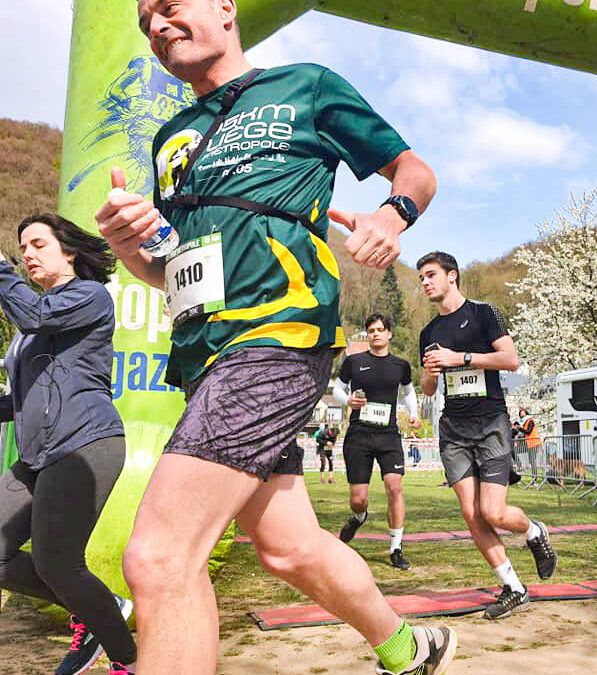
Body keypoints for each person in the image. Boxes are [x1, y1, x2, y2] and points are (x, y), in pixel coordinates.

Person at [94, 1, 455, 674]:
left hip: (279, 338)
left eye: (168, 6)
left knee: (160, 557)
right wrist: (131, 249)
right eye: (146, 20)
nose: (156, 25)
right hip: (207, 356)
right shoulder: (172, 135)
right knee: (287, 546)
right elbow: (170, 268)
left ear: (224, 8)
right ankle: (411, 649)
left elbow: (415, 171)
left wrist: (392, 212)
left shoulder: (305, 87)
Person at [0, 214, 137, 675]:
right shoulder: (36, 322)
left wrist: (1, 271)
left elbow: (33, 312)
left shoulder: (88, 296)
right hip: (38, 455)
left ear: (70, 252)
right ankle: (97, 605)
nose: (28, 255)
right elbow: (22, 397)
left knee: (57, 562)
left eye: (39, 244)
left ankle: (126, 661)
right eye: (23, 249)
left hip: (84, 443)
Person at [417, 251, 558, 620]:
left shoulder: (483, 314)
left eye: (431, 275)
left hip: (491, 422)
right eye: (421, 278)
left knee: (492, 511)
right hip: (454, 429)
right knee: (470, 513)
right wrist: (432, 371)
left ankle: (533, 531)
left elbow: (510, 360)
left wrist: (460, 358)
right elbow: (429, 388)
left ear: (453, 276)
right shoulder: (428, 334)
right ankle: (513, 586)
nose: (426, 282)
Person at [333, 313, 419, 570]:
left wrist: (414, 414)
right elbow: (338, 388)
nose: (376, 334)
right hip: (359, 435)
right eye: (371, 330)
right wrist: (347, 400)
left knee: (395, 488)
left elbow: (408, 392)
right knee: (358, 499)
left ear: (389, 333)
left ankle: (396, 547)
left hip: (388, 435)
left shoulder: (401, 365)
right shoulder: (354, 361)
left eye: (380, 329)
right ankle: (359, 517)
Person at [518, 409, 543, 483]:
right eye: (521, 414)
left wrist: (519, 428)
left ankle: (534, 479)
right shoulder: (524, 422)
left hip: (534, 443)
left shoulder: (530, 421)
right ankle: (533, 478)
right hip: (529, 444)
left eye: (523, 414)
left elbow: (528, 432)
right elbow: (525, 433)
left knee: (532, 461)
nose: (522, 416)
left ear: (526, 414)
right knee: (531, 461)